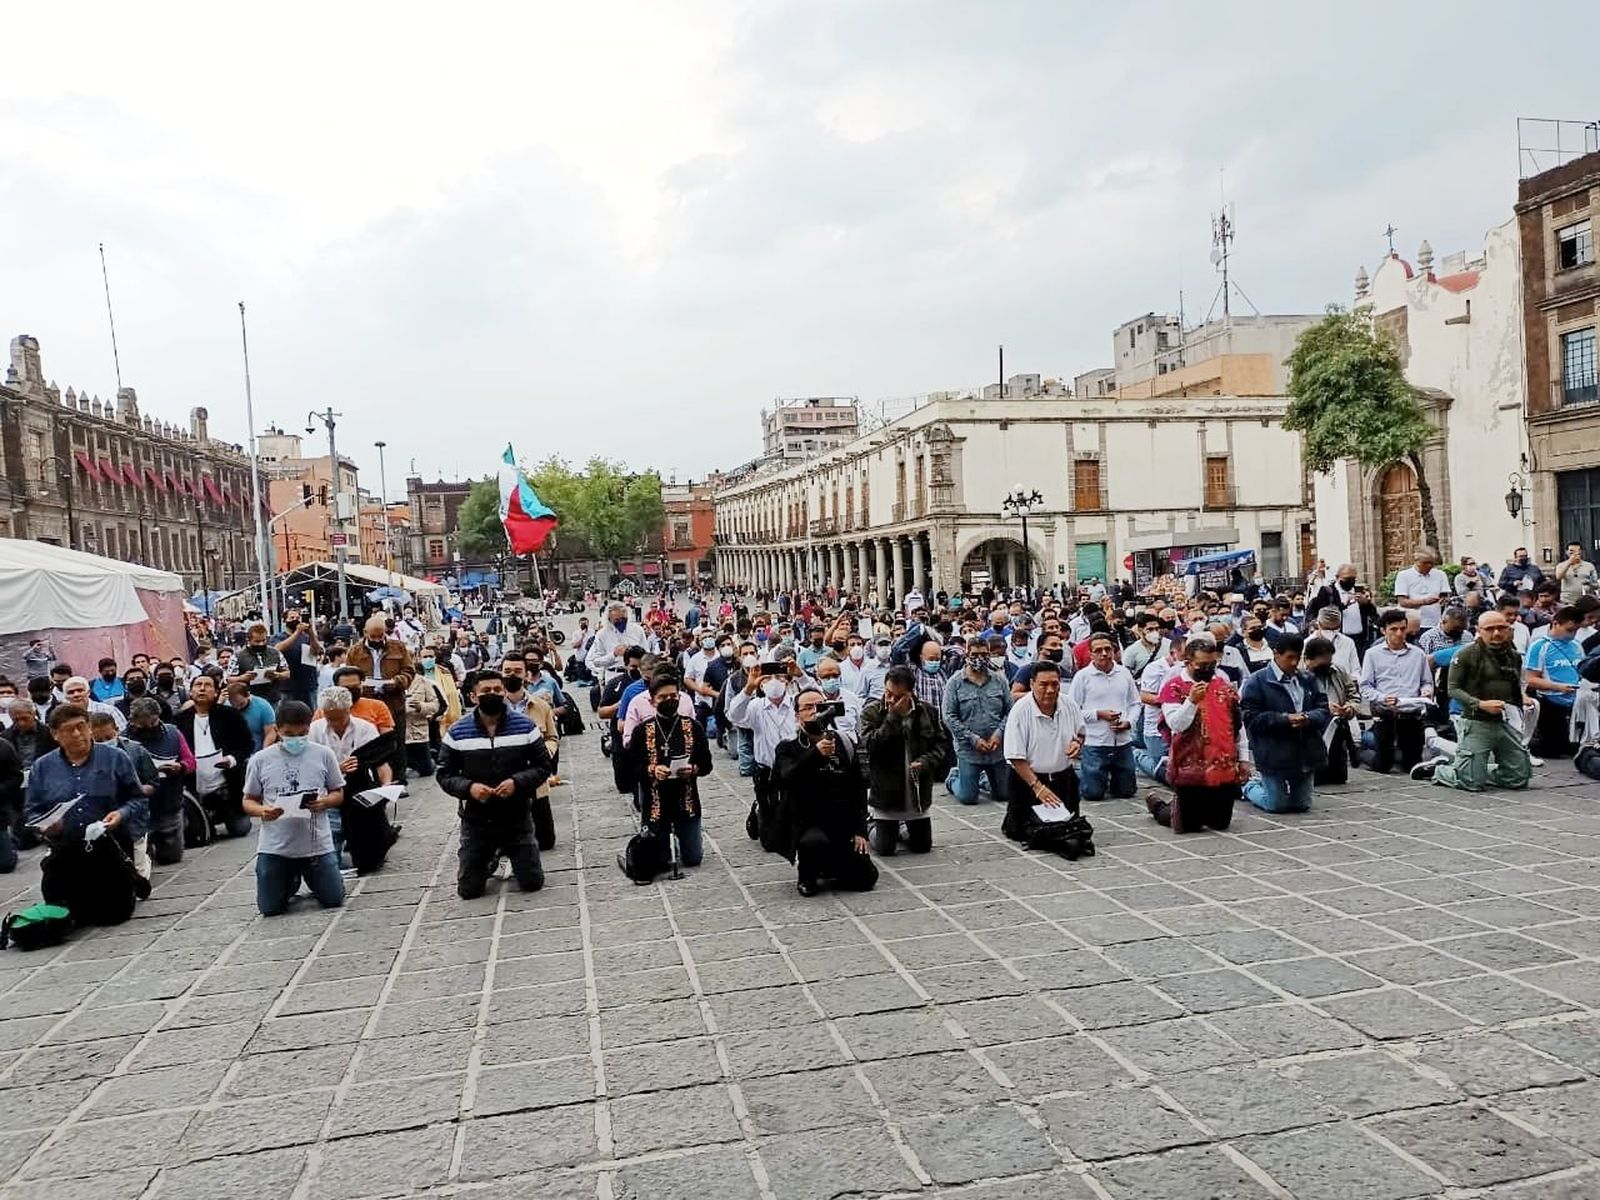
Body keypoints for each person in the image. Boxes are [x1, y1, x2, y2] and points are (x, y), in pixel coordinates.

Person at [24, 704, 148, 926]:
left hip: (109, 845)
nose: (77, 734)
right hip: (66, 848)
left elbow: (137, 799)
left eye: (81, 726)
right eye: (68, 729)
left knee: (113, 915)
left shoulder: (115, 757)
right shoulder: (42, 767)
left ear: (90, 727)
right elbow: (32, 811)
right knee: (61, 915)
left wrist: (120, 814)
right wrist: (45, 827)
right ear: (54, 734)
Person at [438, 669, 556, 899]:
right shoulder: (457, 732)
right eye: (485, 691)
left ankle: (513, 852)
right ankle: (486, 858)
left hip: (516, 815)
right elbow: (444, 774)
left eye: (497, 690)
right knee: (469, 891)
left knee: (532, 883)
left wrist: (517, 782)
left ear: (503, 692)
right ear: (473, 697)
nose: (492, 694)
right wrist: (469, 788)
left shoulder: (525, 726)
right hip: (477, 818)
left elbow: (543, 766)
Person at [243, 701, 347, 916]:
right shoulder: (260, 760)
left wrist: (324, 802)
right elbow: (248, 800)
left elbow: (338, 792)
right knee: (270, 908)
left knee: (334, 898)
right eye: (289, 733)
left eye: (302, 733)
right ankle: (287, 880)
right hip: (276, 845)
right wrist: (263, 811)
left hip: (316, 843)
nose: (296, 739)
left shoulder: (323, 754)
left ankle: (316, 879)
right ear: (277, 730)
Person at [772, 689, 877, 896]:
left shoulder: (844, 743)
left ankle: (831, 866)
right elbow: (786, 778)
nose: (814, 712)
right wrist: (815, 754)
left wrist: (860, 831)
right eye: (807, 708)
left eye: (819, 707)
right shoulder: (788, 748)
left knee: (865, 879)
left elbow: (858, 788)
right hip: (807, 822)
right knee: (814, 844)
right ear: (797, 715)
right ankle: (808, 873)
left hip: (841, 821)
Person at [1146, 636, 1249, 835]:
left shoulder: (1224, 687)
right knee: (1188, 826)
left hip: (1222, 764)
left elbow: (1238, 727)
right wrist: (1192, 701)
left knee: (1219, 823)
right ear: (1188, 663)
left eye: (1213, 664)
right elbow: (1176, 724)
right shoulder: (1174, 687)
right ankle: (1160, 806)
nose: (1208, 669)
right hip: (1190, 766)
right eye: (1202, 665)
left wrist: (1243, 760)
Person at [1427, 612, 1533, 793]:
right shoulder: (1466, 654)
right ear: (1479, 631)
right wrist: (1480, 704)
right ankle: (1441, 770)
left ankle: (1477, 769)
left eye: (1501, 628)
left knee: (1518, 778)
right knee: (1471, 783)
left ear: (1509, 630)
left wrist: (1521, 704)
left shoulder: (1513, 656)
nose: (1497, 633)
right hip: (1475, 720)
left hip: (1504, 720)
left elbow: (1515, 686)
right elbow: (1454, 689)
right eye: (1490, 629)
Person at [625, 671, 712, 874]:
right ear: (653, 700)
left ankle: (685, 840)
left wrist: (693, 769)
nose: (669, 700)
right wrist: (652, 770)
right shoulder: (641, 731)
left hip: (686, 800)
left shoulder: (693, 726)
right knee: (660, 862)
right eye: (663, 697)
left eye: (674, 696)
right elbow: (630, 768)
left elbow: (707, 764)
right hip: (655, 803)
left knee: (693, 859)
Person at [859, 665, 950, 856]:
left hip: (917, 793)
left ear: (909, 693)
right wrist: (893, 718)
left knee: (922, 846)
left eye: (897, 696)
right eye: (888, 693)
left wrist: (925, 762)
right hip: (886, 793)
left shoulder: (928, 712)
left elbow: (941, 746)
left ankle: (901, 828)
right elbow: (871, 746)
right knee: (885, 849)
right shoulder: (872, 712)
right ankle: (872, 824)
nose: (891, 700)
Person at [310, 685, 398, 874]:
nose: (335, 723)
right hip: (328, 789)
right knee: (331, 837)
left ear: (349, 710)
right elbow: (310, 768)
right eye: (329, 718)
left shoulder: (365, 728)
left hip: (359, 788)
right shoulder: (315, 730)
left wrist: (387, 786)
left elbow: (380, 762)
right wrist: (337, 769)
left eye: (339, 718)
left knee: (372, 848)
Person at [1239, 633, 1330, 814]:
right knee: (1276, 804)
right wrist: (1283, 719)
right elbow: (1250, 717)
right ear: (1276, 654)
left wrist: (1308, 718)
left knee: (1301, 803)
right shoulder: (1257, 681)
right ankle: (1248, 787)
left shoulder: (1307, 679)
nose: (1294, 663)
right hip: (1274, 750)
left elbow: (1323, 709)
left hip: (1304, 749)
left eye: (1298, 657)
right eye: (1290, 657)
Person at [1001, 659, 1084, 839]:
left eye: (1055, 684)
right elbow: (1016, 758)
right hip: (1028, 780)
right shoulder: (1020, 711)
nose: (1050, 690)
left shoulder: (1069, 704)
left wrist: (1077, 744)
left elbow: (1080, 733)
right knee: (1020, 832)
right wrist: (1038, 787)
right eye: (1043, 685)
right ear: (1032, 684)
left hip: (1063, 777)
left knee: (1068, 829)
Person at [727, 661, 800, 851]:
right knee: (771, 842)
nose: (774, 682)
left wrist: (800, 675)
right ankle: (760, 810)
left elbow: (818, 700)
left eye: (779, 678)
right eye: (767, 678)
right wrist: (748, 688)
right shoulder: (756, 706)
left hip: (794, 769)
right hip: (766, 771)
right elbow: (734, 715)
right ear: (761, 684)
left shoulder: (796, 703)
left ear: (787, 681)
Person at [174, 673, 254, 838]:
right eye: (198, 685)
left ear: (217, 692)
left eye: (208, 685)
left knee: (241, 829)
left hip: (225, 785)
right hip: (194, 784)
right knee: (197, 836)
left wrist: (231, 760)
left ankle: (224, 815)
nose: (202, 689)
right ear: (190, 693)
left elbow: (247, 744)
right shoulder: (179, 720)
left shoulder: (230, 715)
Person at [120, 698, 195, 868]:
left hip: (169, 800)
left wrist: (180, 766)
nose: (147, 728)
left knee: (171, 857)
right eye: (141, 725)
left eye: (152, 723)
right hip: (139, 805)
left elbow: (191, 761)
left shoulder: (173, 733)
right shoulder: (124, 741)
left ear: (158, 717)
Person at [1358, 609, 1434, 773]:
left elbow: (1426, 681)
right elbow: (1365, 686)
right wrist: (1383, 697)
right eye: (1393, 629)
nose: (1399, 633)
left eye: (1402, 629)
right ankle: (1364, 752)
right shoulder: (1372, 654)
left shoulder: (1417, 654)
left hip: (1411, 711)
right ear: (1383, 631)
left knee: (1412, 765)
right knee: (1383, 765)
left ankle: (1401, 754)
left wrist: (1426, 692)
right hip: (1386, 711)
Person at [1067, 632, 1139, 803]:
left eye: (1108, 649)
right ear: (1091, 654)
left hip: (1122, 741)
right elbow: (1072, 709)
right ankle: (1081, 775)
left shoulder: (1124, 673)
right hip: (1095, 741)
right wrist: (1098, 714)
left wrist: (1128, 722)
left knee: (1126, 791)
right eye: (1098, 650)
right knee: (1092, 794)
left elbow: (1135, 703)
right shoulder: (1083, 677)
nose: (1104, 654)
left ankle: (1111, 778)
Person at [346, 616, 415, 776]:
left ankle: (398, 778)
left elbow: (409, 671)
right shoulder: (355, 652)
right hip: (367, 703)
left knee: (396, 741)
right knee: (369, 742)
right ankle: (373, 778)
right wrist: (358, 686)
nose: (377, 640)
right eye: (373, 637)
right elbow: (348, 674)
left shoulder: (398, 648)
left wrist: (396, 682)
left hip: (393, 701)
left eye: (381, 636)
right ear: (364, 632)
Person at [942, 648, 1012, 806]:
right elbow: (948, 716)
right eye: (974, 655)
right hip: (969, 751)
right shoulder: (955, 683)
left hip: (997, 750)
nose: (979, 659)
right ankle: (954, 778)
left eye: (984, 654)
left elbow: (1010, 711)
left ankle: (982, 779)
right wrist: (973, 739)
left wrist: (999, 734)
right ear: (967, 656)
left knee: (1004, 794)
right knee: (968, 797)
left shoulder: (999, 680)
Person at [1301, 636, 1364, 786]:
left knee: (1337, 778)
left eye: (1329, 660)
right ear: (1309, 659)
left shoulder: (1337, 671)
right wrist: (1322, 709)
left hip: (1337, 726)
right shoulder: (1300, 676)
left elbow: (1353, 695)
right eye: (1323, 661)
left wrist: (1349, 708)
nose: (1327, 664)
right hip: (1312, 729)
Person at [1524, 606, 1584, 757]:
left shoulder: (1576, 645)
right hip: (1551, 701)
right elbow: (1531, 679)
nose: (1572, 634)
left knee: (1576, 748)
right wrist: (1557, 687)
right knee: (1552, 750)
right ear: (1556, 624)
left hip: (1576, 703)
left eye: (1575, 630)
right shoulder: (1539, 646)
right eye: (1569, 630)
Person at [230, 622, 292, 704]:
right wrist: (242, 678)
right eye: (257, 641)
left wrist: (277, 675)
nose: (261, 644)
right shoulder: (238, 656)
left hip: (272, 699)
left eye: (263, 640)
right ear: (248, 640)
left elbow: (287, 673)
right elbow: (229, 679)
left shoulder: (275, 653)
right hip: (249, 700)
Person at [586, 602, 648, 682]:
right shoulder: (602, 634)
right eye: (617, 620)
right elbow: (596, 661)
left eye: (623, 618)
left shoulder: (637, 630)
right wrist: (614, 654)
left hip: (636, 676)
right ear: (609, 619)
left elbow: (647, 654)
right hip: (613, 675)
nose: (621, 622)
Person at [276, 609, 324, 706]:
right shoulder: (278, 637)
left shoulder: (306, 637)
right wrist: (297, 633)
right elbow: (277, 649)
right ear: (285, 621)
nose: (295, 620)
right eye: (292, 618)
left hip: (308, 684)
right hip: (288, 686)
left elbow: (317, 651)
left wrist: (311, 633)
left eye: (297, 618)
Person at [227, 681, 279, 753]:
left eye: (241, 704)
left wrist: (264, 752)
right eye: (234, 705)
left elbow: (270, 732)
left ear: (248, 695)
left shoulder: (263, 706)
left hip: (256, 749)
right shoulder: (226, 707)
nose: (238, 708)